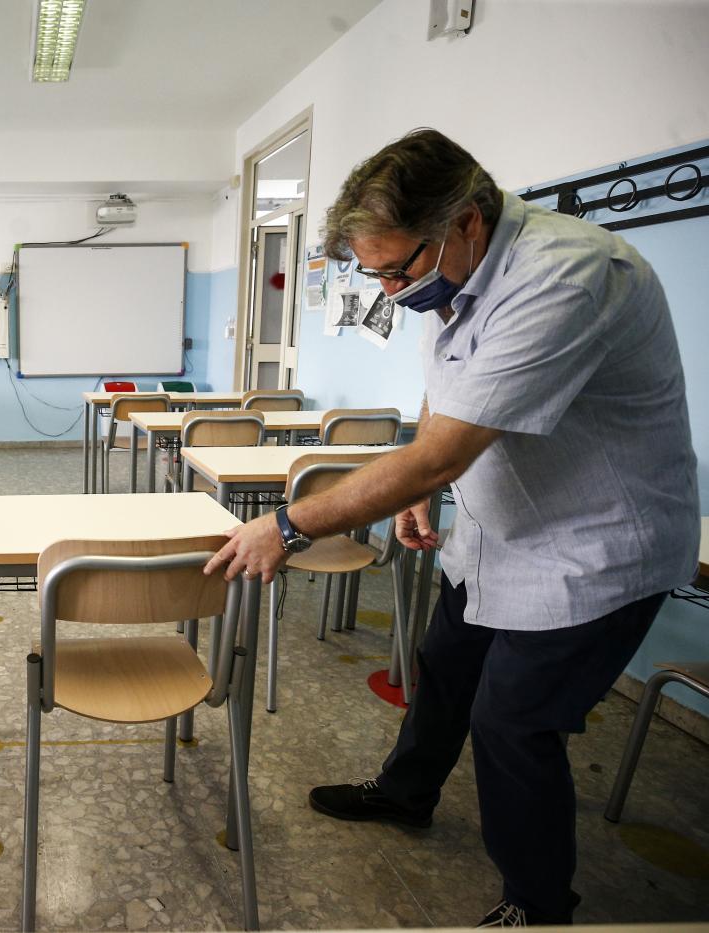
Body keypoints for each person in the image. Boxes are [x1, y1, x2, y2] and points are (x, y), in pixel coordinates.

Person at [204, 128, 698, 926]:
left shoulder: (567, 276)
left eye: (398, 268)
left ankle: (536, 903)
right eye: (377, 272)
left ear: (465, 220)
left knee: (513, 720)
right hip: (500, 528)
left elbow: (442, 449)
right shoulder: (456, 270)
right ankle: (407, 792)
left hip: (595, 546)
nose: (392, 289)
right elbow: (446, 384)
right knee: (442, 661)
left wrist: (288, 527)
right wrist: (424, 489)